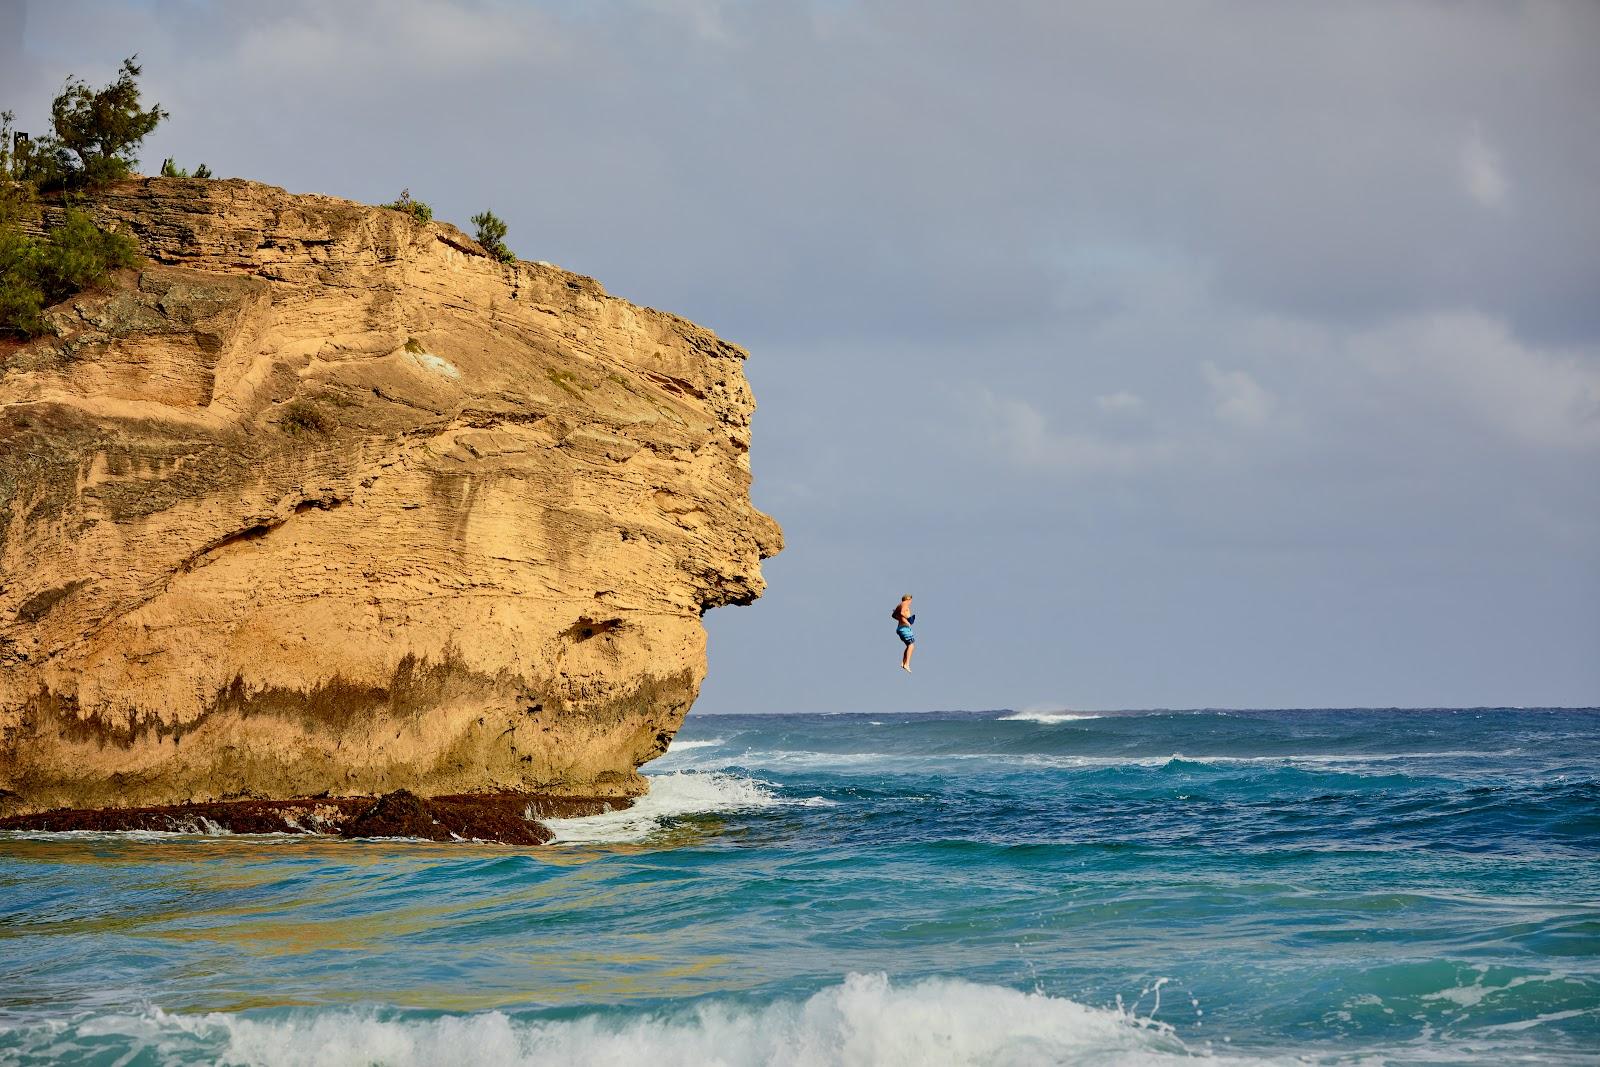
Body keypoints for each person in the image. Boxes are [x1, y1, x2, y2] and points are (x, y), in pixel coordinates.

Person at [891, 594, 916, 672]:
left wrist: (901, 619)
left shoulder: (900, 605)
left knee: (909, 646)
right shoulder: (905, 603)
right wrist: (907, 620)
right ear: (909, 599)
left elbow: (894, 615)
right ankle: (907, 664)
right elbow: (902, 613)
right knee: (911, 646)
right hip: (904, 628)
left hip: (901, 628)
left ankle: (903, 662)